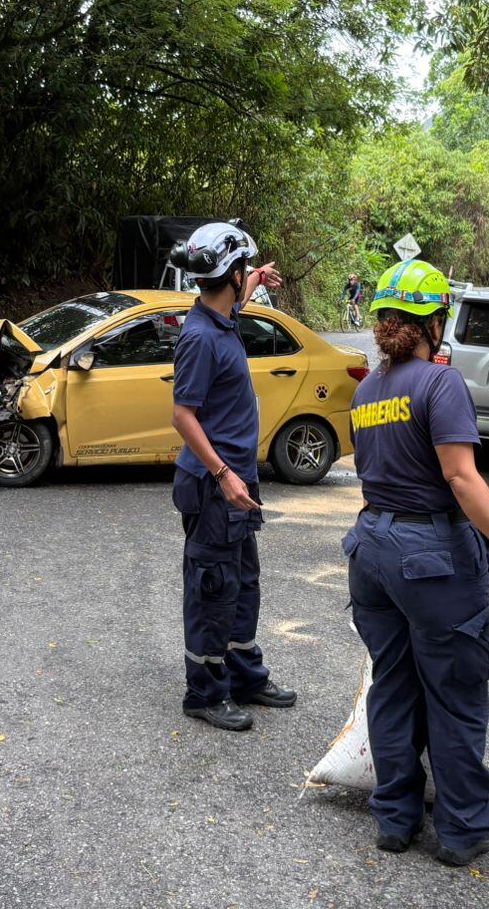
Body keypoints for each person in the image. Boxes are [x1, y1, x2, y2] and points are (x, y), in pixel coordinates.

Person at [341, 259, 489, 866]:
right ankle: (461, 832)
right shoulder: (439, 384)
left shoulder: (367, 390)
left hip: (371, 551)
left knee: (394, 683)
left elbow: (371, 475)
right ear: (437, 319)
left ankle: (396, 818)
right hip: (428, 556)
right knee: (455, 689)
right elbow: (460, 476)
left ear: (383, 321)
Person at [168, 222, 293, 731]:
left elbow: (237, 293)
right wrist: (223, 474)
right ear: (231, 275)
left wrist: (257, 276)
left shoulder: (222, 317)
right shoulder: (199, 337)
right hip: (215, 485)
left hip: (238, 483)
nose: (249, 282)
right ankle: (204, 691)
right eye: (245, 274)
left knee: (243, 582)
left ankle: (243, 674)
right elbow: (183, 415)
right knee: (212, 587)